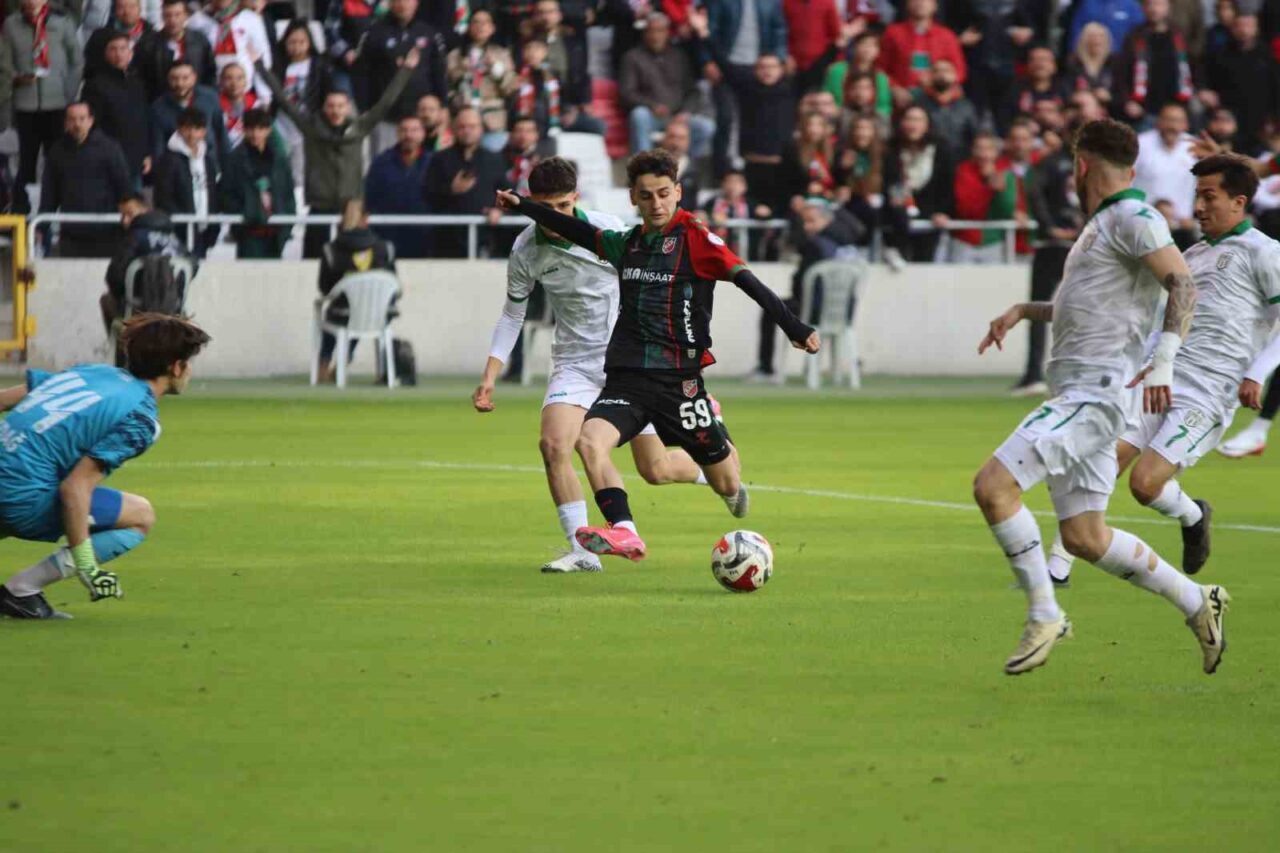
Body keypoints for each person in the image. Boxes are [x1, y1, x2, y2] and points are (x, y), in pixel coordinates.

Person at [972, 118, 1228, 677]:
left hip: (1096, 396)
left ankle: (1045, 613)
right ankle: (1197, 601)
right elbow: (1086, 308)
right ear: (1129, 169)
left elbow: (1182, 283)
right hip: (1085, 392)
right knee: (1085, 538)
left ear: (1081, 165)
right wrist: (1023, 311)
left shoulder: (1135, 217)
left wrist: (1164, 361)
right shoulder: (1105, 224)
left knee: (993, 487)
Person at [494, 149, 821, 562]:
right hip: (628, 379)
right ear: (633, 197)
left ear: (678, 192)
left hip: (679, 383)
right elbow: (575, 230)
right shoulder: (626, 244)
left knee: (726, 483)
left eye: (664, 193)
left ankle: (714, 424)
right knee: (589, 442)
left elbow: (747, 281)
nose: (656, 204)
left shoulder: (697, 239)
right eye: (646, 195)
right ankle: (625, 531)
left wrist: (796, 328)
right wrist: (522, 205)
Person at [474, 157, 725, 573]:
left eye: (563, 206)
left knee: (656, 469)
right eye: (545, 208)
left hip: (629, 363)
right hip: (574, 363)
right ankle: (584, 552)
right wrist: (489, 377)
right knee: (554, 445)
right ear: (531, 202)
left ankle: (714, 464)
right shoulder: (526, 249)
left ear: (576, 197)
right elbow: (512, 314)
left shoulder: (609, 231)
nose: (555, 217)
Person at [1048, 154, 1280, 585]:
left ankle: (1194, 516)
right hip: (1161, 376)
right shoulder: (1190, 255)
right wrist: (1148, 361)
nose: (1199, 207)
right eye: (1197, 196)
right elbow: (1164, 318)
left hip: (1210, 392)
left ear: (1239, 201)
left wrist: (1257, 372)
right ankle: (1056, 567)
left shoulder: (1264, 252)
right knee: (1101, 460)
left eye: (1209, 197)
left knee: (1145, 485)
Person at [0, 314, 211, 620]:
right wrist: (87, 566)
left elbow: (4, 400)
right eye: (188, 363)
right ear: (176, 367)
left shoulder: (92, 372)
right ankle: (22, 590)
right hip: (19, 499)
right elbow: (75, 488)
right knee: (140, 516)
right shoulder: (141, 419)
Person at [254, 46, 418, 258]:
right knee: (313, 260)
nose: (335, 110)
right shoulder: (310, 126)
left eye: (340, 106)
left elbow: (385, 103)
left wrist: (406, 70)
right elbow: (284, 100)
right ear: (324, 107)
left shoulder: (359, 127)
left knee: (353, 259)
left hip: (352, 205)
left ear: (348, 107)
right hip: (319, 204)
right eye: (331, 106)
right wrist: (259, 66)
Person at [1013, 117, 1082, 396]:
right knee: (1075, 309)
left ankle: (1036, 374)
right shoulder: (1092, 166)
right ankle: (1068, 374)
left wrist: (1049, 225)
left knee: (1041, 309)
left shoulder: (1051, 163)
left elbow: (1033, 190)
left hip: (1060, 243)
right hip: (1072, 244)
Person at [3, 0, 83, 214]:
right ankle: (22, 211)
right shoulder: (11, 25)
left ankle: (56, 210)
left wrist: (68, 94)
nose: (32, 2)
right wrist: (16, 78)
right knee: (25, 162)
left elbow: (76, 61)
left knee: (56, 159)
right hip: (25, 105)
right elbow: (5, 63)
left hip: (57, 104)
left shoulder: (62, 22)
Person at [315, 199, 399, 382]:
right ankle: (347, 359)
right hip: (379, 314)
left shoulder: (331, 250)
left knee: (338, 311)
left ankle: (324, 363)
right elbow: (395, 285)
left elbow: (324, 288)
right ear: (366, 219)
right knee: (365, 311)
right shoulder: (385, 249)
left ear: (342, 218)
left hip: (343, 313)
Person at [40, 102, 134, 258]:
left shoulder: (110, 148)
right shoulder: (57, 151)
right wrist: (41, 227)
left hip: (107, 233)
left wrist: (129, 214)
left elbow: (124, 187)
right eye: (72, 119)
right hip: (71, 235)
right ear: (66, 123)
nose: (77, 124)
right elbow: (49, 194)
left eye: (82, 118)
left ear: (91, 120)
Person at [619, 12, 714, 159]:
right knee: (639, 115)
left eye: (660, 31)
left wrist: (685, 112)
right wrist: (652, 106)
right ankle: (644, 164)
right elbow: (627, 92)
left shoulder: (679, 56)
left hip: (678, 116)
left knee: (706, 127)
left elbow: (693, 91)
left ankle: (684, 166)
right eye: (651, 31)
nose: (655, 36)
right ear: (644, 33)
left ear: (667, 33)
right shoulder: (632, 57)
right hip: (652, 116)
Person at [359, 0, 449, 154]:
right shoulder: (374, 33)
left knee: (425, 164)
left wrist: (444, 106)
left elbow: (439, 73)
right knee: (384, 162)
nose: (403, 4)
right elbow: (362, 73)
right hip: (386, 117)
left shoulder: (429, 32)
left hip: (423, 118)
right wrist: (364, 108)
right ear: (390, 3)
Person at [422, 106, 512, 258]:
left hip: (484, 240)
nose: (467, 131)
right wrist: (451, 190)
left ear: (481, 129)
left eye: (472, 126)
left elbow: (508, 195)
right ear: (454, 129)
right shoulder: (440, 159)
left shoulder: (495, 160)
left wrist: (498, 210)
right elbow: (426, 195)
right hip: (446, 242)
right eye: (462, 127)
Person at [101, 194, 192, 334]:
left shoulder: (134, 237)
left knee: (106, 300)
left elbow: (114, 275)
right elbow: (192, 266)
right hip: (173, 309)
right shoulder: (174, 238)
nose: (124, 220)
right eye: (122, 215)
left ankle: (122, 344)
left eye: (129, 214)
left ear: (145, 211)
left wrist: (130, 293)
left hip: (137, 310)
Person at [218, 107, 295, 258]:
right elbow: (225, 194)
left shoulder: (280, 160)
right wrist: (244, 213)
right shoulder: (234, 160)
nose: (255, 134)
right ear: (244, 130)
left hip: (275, 235)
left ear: (268, 130)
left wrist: (286, 227)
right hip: (248, 234)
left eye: (260, 129)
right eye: (251, 129)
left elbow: (288, 195)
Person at [1112, 0, 1197, 128]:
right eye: (1149, 4)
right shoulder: (1134, 36)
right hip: (1143, 110)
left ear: (1168, 6)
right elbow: (1121, 74)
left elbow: (1193, 68)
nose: (1153, 9)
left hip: (1177, 109)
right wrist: (1127, 101)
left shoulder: (1179, 36)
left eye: (1158, 4)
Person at [82, 31, 153, 184]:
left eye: (123, 48)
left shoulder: (137, 83)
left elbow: (143, 121)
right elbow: (93, 126)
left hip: (136, 160)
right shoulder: (95, 85)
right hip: (108, 161)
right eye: (113, 49)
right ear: (105, 53)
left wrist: (146, 153)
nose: (119, 54)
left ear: (130, 53)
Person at [272, 18, 335, 189]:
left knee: (300, 172)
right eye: (292, 42)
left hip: (307, 125)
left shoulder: (319, 66)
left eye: (301, 42)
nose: (296, 46)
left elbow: (326, 94)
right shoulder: (280, 67)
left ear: (309, 42)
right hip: (282, 124)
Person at [446, 9, 519, 151]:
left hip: (493, 120)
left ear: (492, 28)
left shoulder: (502, 54)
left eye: (485, 23)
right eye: (476, 22)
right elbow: (446, 87)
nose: (480, 26)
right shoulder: (455, 55)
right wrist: (461, 72)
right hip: (463, 120)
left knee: (492, 161)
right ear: (469, 27)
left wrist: (496, 69)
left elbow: (511, 88)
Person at [153, 107, 221, 257]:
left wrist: (212, 227)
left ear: (204, 131)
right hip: (179, 233)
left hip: (203, 232)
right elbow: (163, 198)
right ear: (179, 129)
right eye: (187, 128)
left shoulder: (208, 161)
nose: (192, 134)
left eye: (197, 129)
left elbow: (213, 196)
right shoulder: (168, 160)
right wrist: (183, 223)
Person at [364, 115, 433, 259]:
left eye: (414, 130)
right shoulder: (381, 162)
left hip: (425, 239)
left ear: (423, 133)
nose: (409, 135)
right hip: (387, 238)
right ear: (397, 133)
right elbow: (369, 197)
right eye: (404, 130)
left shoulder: (434, 162)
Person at [877, 0, 965, 105]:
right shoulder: (893, 33)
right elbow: (880, 69)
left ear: (935, 6)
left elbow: (959, 72)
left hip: (937, 100)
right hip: (900, 99)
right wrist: (894, 88)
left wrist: (937, 82)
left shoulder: (947, 36)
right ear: (907, 4)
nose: (921, 3)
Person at [149, 60, 231, 170]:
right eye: (174, 79)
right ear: (168, 80)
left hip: (211, 165)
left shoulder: (210, 98)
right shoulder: (158, 108)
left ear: (194, 78)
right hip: (178, 170)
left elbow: (221, 133)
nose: (180, 83)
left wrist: (228, 166)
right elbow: (158, 147)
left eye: (185, 78)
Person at [1134, 102, 1197, 245]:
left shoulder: (1194, 146)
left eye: (1178, 121)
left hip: (1181, 226)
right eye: (1168, 120)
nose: (1173, 126)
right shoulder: (1140, 144)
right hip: (1143, 223)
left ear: (1186, 125)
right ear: (1158, 122)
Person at [189, 0, 274, 103]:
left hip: (245, 91)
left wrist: (264, 95)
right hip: (211, 90)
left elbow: (263, 56)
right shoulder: (197, 21)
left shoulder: (250, 19)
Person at [138, 0, 217, 101]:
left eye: (177, 15)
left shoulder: (199, 41)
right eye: (168, 15)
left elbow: (210, 73)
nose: (173, 20)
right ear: (162, 17)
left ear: (186, 16)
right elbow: (142, 79)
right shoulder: (149, 45)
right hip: (161, 103)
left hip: (197, 101)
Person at [83, 0, 155, 83]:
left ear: (140, 9)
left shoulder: (154, 38)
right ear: (115, 10)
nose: (127, 12)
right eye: (121, 7)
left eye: (132, 6)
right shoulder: (100, 37)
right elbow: (90, 71)